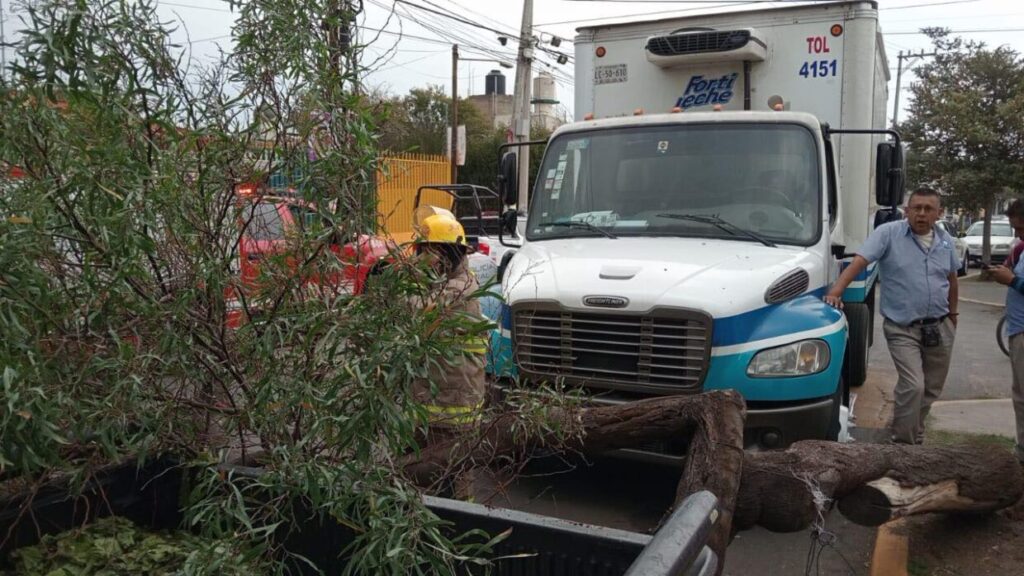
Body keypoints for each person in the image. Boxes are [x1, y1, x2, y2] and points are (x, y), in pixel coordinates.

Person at [824, 187, 960, 444]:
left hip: (940, 326)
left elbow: (952, 279)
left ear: (938, 213)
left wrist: (953, 316)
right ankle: (903, 445)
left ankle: (911, 433)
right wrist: (836, 292)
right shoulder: (889, 234)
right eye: (916, 208)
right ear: (906, 211)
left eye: (928, 209)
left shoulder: (945, 241)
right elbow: (860, 262)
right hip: (902, 328)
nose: (921, 214)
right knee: (913, 386)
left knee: (930, 390)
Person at [410, 206, 488, 446]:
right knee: (421, 473)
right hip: (434, 404)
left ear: (445, 253)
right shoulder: (448, 283)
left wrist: (409, 279)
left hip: (450, 412)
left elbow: (413, 309)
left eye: (425, 252)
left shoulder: (459, 290)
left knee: (450, 470)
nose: (419, 258)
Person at [986, 199, 1024, 467]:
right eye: (1014, 228)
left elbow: (1015, 280)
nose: (1017, 233)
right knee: (1020, 396)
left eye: (1021, 228)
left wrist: (1013, 281)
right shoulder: (1021, 247)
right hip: (1016, 330)